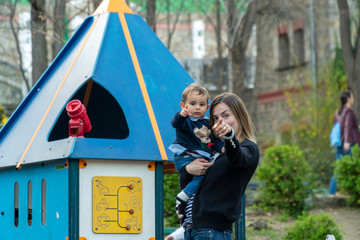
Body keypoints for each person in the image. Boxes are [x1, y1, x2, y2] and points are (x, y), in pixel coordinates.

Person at [167, 92, 259, 240]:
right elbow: (194, 189)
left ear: (240, 115)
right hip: (193, 230)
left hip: (213, 231)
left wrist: (229, 137)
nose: (220, 122)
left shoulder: (249, 148)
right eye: (215, 118)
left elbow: (238, 157)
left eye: (226, 116)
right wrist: (187, 170)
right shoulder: (214, 151)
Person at [169, 83, 223, 224]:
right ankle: (184, 197)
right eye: (192, 103)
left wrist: (223, 147)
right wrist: (181, 115)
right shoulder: (185, 120)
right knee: (202, 175)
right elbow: (176, 123)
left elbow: (214, 141)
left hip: (201, 156)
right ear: (183, 105)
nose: (197, 107)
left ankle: (185, 199)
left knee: (203, 176)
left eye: (202, 104)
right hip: (185, 156)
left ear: (207, 107)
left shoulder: (208, 123)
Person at [329, 90, 360, 196]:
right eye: (352, 96)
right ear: (348, 99)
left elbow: (338, 128)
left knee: (339, 168)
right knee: (354, 167)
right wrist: (347, 141)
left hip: (339, 143)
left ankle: (331, 192)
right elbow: (346, 127)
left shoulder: (338, 112)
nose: (353, 98)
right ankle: (354, 192)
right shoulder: (349, 111)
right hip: (348, 144)